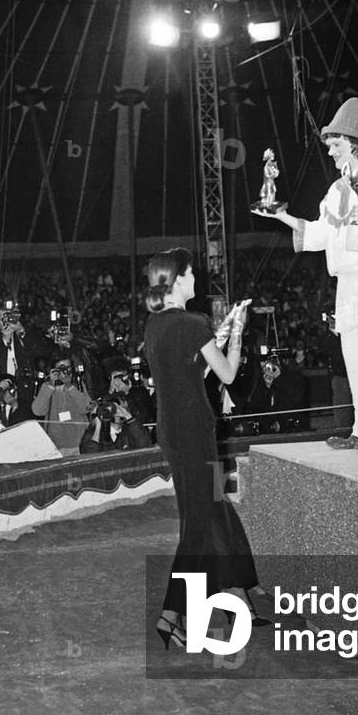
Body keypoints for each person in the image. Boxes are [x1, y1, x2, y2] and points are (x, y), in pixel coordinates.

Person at [255, 97, 358, 451]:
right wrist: (281, 215)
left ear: (353, 142)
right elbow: (320, 233)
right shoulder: (337, 190)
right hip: (347, 282)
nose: (330, 152)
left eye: (335, 144)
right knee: (355, 359)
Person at [143, 248, 266, 649]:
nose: (197, 278)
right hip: (196, 434)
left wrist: (219, 335)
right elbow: (227, 374)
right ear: (178, 278)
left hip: (175, 432)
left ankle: (238, 599)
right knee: (198, 524)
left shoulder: (155, 325)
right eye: (192, 272)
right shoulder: (191, 323)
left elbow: (194, 370)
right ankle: (170, 615)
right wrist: (238, 333)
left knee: (214, 508)